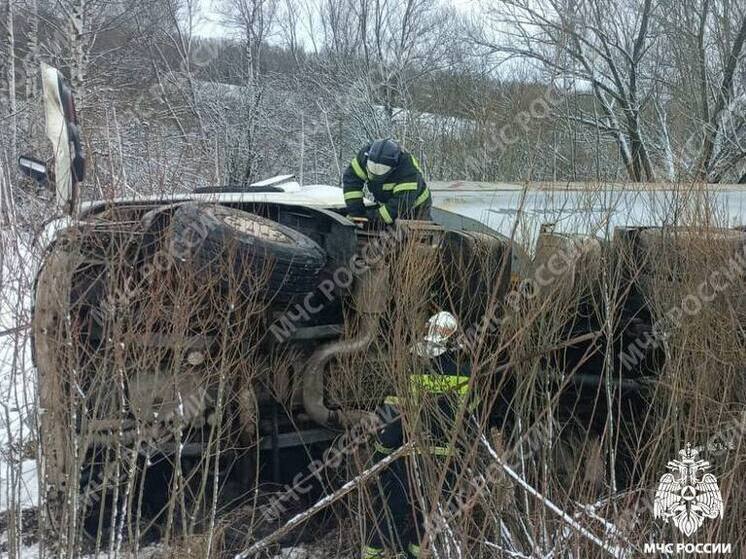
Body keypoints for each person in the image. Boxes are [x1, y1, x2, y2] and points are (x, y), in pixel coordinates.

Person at [362, 312, 473, 559]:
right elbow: (471, 421)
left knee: (389, 507)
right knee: (426, 515)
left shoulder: (410, 372)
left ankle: (373, 554)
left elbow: (392, 422)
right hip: (447, 462)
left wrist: (379, 456)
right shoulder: (466, 374)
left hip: (409, 457)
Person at [343, 138, 432, 226]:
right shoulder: (363, 157)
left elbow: (399, 205)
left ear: (393, 167)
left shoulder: (407, 170)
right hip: (386, 201)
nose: (376, 173)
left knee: (407, 236)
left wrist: (372, 219)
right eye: (372, 166)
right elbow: (351, 182)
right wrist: (355, 211)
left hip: (416, 208)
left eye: (382, 169)